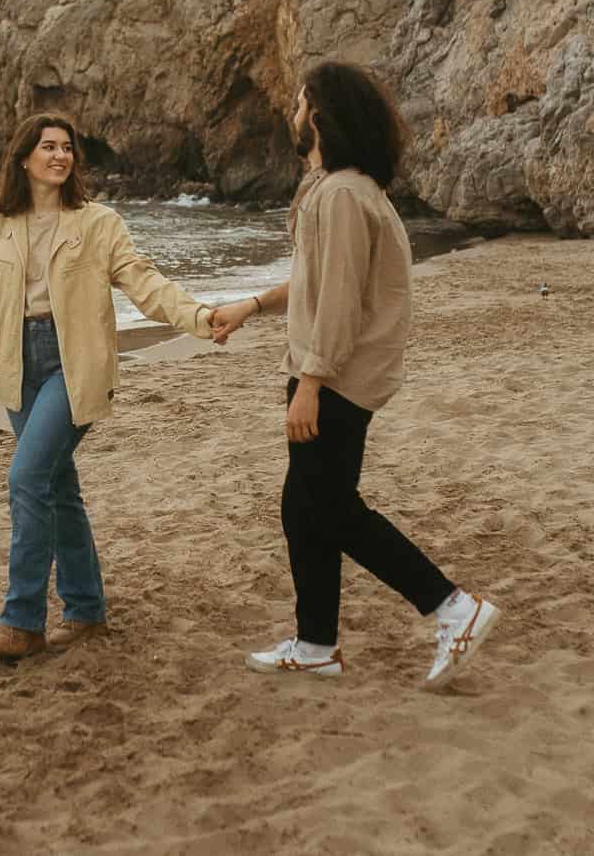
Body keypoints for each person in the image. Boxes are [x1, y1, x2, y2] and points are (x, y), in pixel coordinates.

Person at [209, 62, 500, 688]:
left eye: (298, 102)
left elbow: (339, 299)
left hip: (335, 376)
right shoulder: (345, 188)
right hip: (336, 371)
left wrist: (311, 382)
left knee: (331, 510)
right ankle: (316, 642)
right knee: (304, 507)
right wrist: (253, 305)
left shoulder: (341, 195)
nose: (291, 111)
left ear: (319, 116)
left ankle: (452, 607)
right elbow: (319, 279)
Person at [0, 112, 220, 661]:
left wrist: (198, 316)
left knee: (27, 477)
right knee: (57, 489)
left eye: (67, 148)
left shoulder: (98, 223)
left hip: (73, 365)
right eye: (48, 146)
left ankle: (21, 619)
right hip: (17, 366)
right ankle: (86, 610)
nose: (60, 156)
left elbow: (142, 280)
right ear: (24, 157)